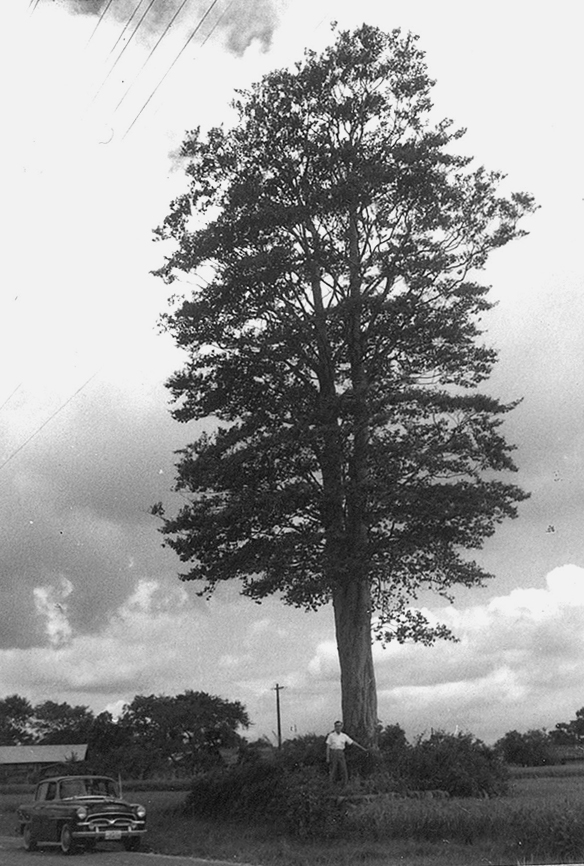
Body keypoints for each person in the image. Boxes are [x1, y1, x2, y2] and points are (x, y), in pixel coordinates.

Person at [325, 720, 367, 785]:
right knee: (333, 769)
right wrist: (327, 757)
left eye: (339, 726)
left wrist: (362, 748)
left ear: (341, 727)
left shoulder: (344, 736)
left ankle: (344, 785)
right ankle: (331, 786)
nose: (338, 727)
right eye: (336, 726)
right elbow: (328, 747)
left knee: (344, 769)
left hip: (341, 753)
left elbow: (352, 742)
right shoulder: (331, 735)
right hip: (333, 753)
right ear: (334, 727)